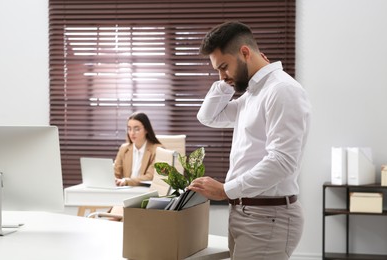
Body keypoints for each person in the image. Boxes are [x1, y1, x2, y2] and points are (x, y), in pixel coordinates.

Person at [188, 21, 311, 259]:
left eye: (224, 67)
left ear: (245, 52)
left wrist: (225, 190)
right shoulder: (254, 93)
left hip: (268, 218)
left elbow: (282, 162)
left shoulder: (281, 90)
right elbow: (208, 117)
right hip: (248, 214)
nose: (222, 75)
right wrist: (226, 82)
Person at [114, 111, 163, 186]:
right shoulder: (124, 149)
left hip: (144, 192)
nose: (132, 133)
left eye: (136, 129)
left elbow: (150, 177)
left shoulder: (157, 150)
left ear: (146, 129)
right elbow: (115, 173)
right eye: (129, 129)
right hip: (125, 191)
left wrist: (127, 181)